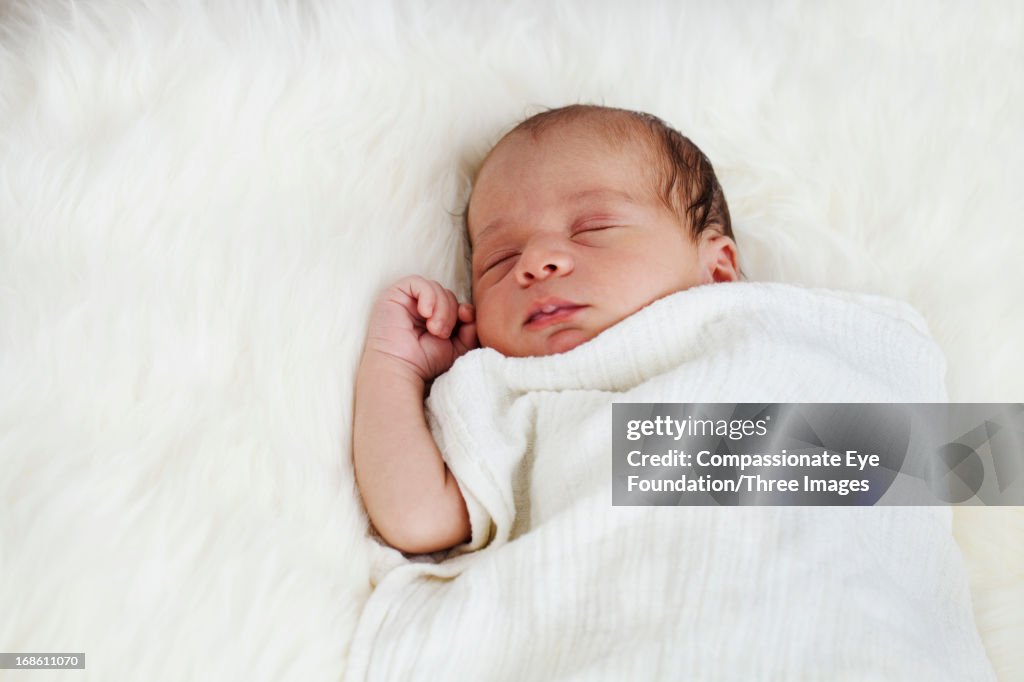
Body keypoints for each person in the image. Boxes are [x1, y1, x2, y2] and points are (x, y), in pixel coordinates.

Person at [353, 104, 739, 554]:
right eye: (500, 259)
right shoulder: (509, 395)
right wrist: (395, 367)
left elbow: (836, 451)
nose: (534, 262)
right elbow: (419, 520)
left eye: (593, 228)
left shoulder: (767, 331)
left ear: (717, 271)